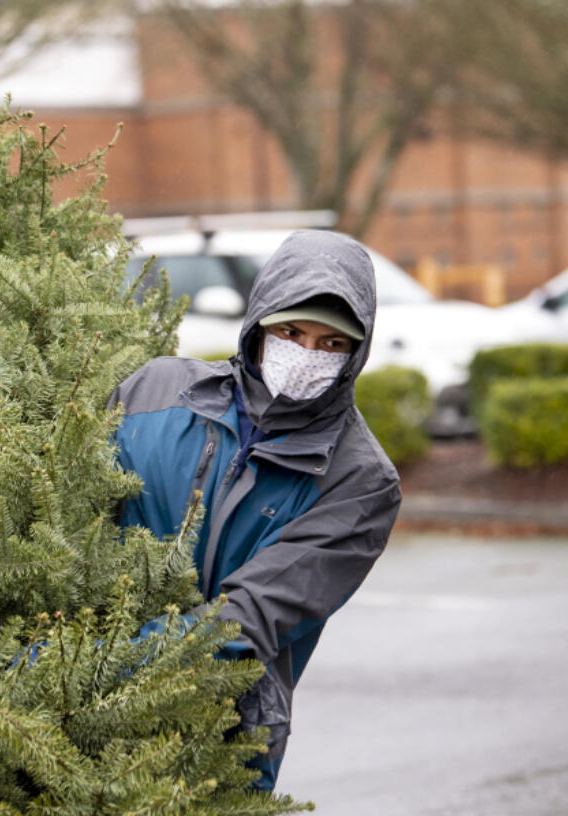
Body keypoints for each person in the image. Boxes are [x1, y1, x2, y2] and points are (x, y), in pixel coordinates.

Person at [110, 229, 401, 791]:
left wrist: (95, 668)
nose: (306, 354)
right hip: (57, 706)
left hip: (224, 731)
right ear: (259, 324)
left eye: (331, 343)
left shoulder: (360, 482)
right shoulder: (153, 392)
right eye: (291, 331)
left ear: (355, 353)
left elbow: (248, 619)